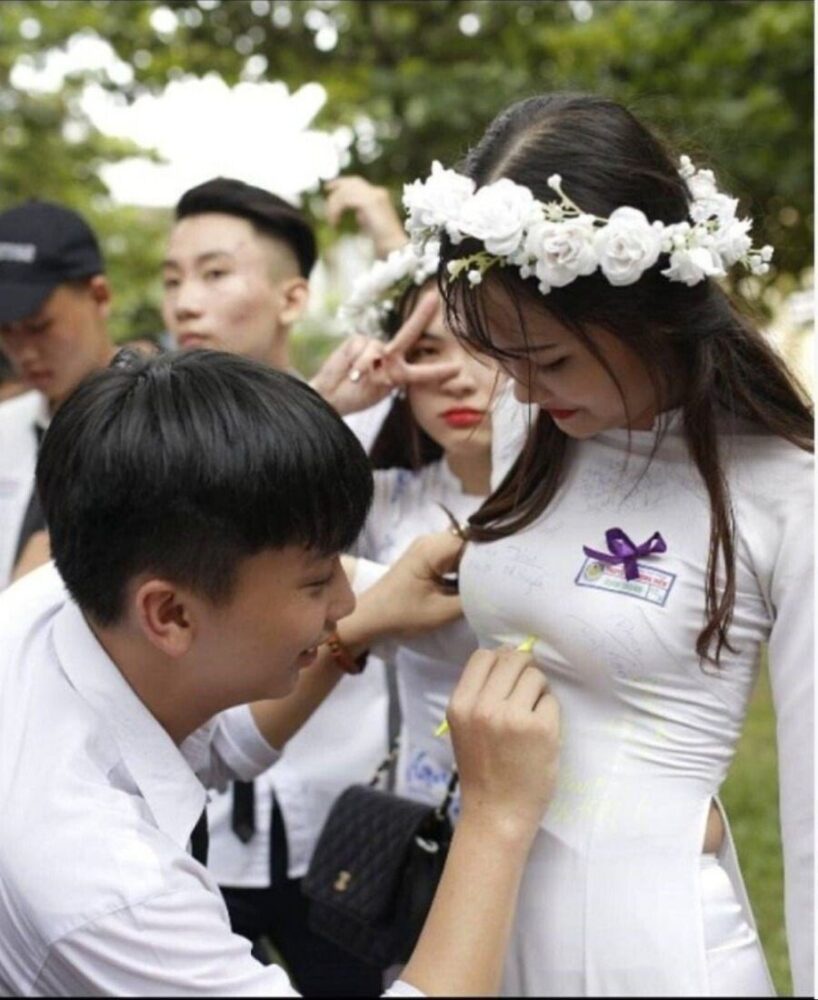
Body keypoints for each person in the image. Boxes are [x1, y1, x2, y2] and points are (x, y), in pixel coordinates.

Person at [399, 93, 813, 996]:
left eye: (550, 359)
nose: (522, 390)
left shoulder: (787, 490)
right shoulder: (536, 423)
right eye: (505, 359)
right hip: (489, 916)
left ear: (645, 311)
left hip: (650, 947)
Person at [0, 348, 561, 997]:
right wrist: (495, 816)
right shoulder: (104, 887)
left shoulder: (81, 590)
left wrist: (357, 629)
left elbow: (224, 746)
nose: (346, 603)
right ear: (170, 614)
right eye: (318, 581)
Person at [0, 200, 115, 588]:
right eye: (5, 330)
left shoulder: (166, 428)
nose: (24, 352)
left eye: (39, 326)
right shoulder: (6, 429)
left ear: (99, 296)